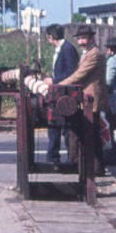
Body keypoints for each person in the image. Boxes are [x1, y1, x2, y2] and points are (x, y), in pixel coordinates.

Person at [53, 25, 108, 167]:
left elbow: (78, 75)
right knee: (80, 133)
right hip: (85, 100)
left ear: (92, 38)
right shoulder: (87, 53)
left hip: (92, 101)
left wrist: (57, 86)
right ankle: (78, 164)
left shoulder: (94, 54)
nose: (81, 42)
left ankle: (92, 167)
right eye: (79, 39)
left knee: (91, 135)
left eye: (84, 38)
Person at [44, 24, 80, 163]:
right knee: (54, 125)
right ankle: (53, 157)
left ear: (50, 37)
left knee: (65, 127)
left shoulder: (67, 49)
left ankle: (70, 158)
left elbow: (71, 72)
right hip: (58, 92)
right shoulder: (62, 49)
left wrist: (53, 80)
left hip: (66, 93)